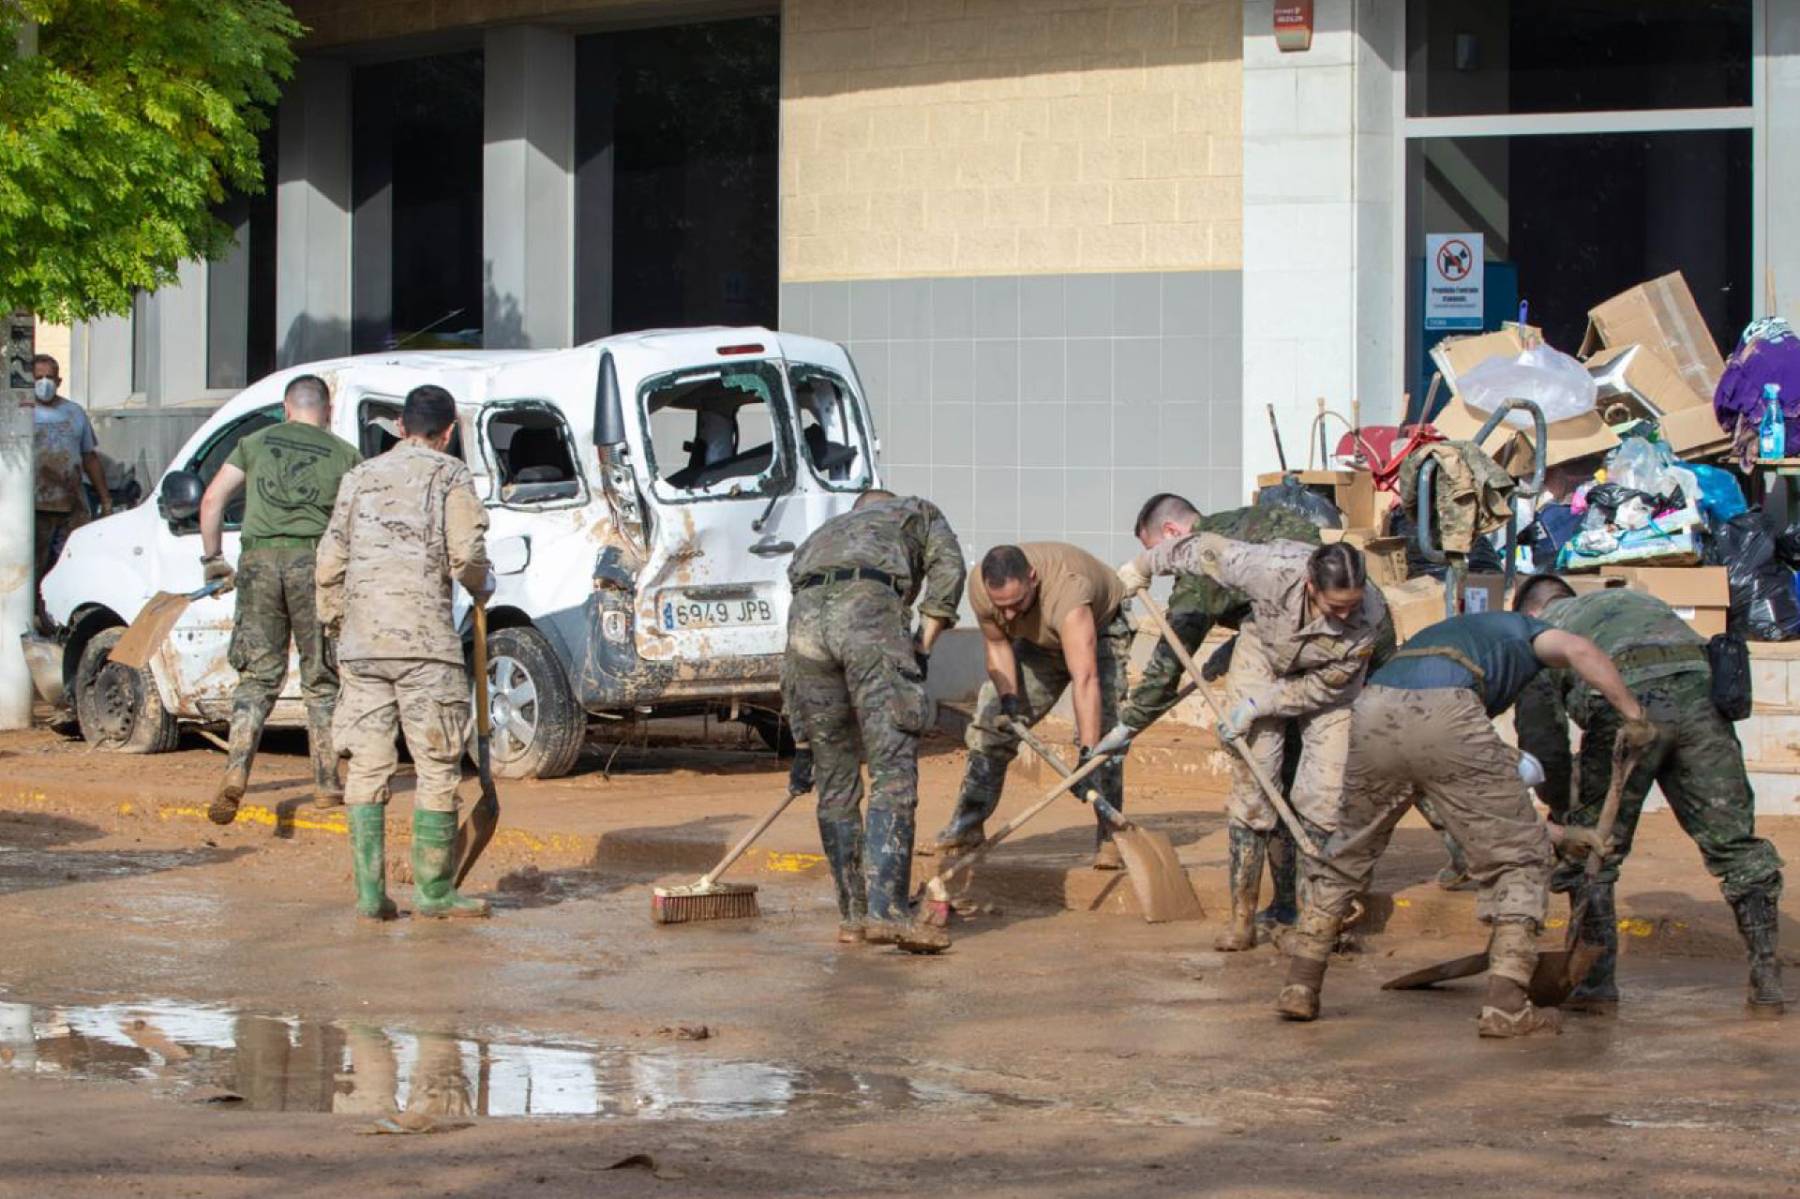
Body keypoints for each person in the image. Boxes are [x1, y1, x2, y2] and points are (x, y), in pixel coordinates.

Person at [1279, 609, 1654, 1038]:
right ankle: (1508, 1006)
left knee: (1346, 852)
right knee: (1518, 861)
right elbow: (1579, 649)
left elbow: (1466, 813)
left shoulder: (1447, 635)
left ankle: (1300, 983)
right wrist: (1634, 715)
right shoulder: (1527, 631)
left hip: (1373, 709)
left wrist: (1563, 836)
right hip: (1447, 712)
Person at [1514, 574, 1785, 1016]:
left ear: (1529, 611)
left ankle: (1593, 985)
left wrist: (1563, 807)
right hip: (1702, 705)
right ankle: (1767, 981)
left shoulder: (1542, 634)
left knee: (1592, 851)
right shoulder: (1633, 602)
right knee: (1737, 849)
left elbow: (1544, 738)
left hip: (1625, 711)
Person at [1117, 531, 1388, 952]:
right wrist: (1143, 566)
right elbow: (1199, 549)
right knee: (1254, 785)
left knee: (1325, 794)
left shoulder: (1370, 614)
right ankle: (1242, 919)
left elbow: (1328, 689)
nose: (1343, 616)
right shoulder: (1269, 569)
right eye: (1335, 607)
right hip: (1263, 656)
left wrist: (1266, 702)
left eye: (1350, 606)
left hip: (1324, 687)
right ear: (1311, 586)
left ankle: (1310, 920)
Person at [1097, 494, 1326, 940]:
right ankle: (1304, 908)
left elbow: (1168, 661)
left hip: (1287, 663)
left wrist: (1129, 725)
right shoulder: (1267, 517)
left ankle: (1259, 915)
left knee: (1260, 783)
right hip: (1326, 650)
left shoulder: (1204, 563)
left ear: (1171, 536)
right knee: (1311, 786)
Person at [316, 384, 493, 920]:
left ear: (399, 427)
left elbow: (328, 562)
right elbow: (466, 555)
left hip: (362, 647)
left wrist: (337, 624)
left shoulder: (358, 477)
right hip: (425, 648)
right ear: (448, 433)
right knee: (437, 766)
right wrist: (482, 586)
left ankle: (371, 896)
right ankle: (435, 892)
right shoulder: (450, 476)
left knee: (368, 767)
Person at [781, 488, 965, 946]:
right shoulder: (918, 509)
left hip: (804, 626)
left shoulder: (825, 534)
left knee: (835, 780)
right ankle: (886, 912)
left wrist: (803, 742)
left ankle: (853, 918)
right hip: (867, 614)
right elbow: (950, 569)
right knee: (893, 769)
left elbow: (791, 662)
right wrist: (923, 644)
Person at [200, 374, 361, 824]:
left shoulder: (253, 442)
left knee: (257, 678)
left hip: (259, 562)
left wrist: (213, 559)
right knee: (321, 678)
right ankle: (328, 782)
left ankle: (236, 772)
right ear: (326, 411)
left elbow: (212, 499)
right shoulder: (346, 455)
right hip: (315, 565)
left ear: (286, 408)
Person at [928, 542, 1129, 869]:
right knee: (990, 725)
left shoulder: (1070, 593)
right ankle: (966, 826)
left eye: (1016, 603)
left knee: (1107, 738)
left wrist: (1087, 755)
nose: (1008, 614)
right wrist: (1009, 701)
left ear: (1032, 578)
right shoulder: (982, 587)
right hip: (1038, 641)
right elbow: (997, 643)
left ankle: (1110, 835)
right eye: (1001, 606)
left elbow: (1086, 678)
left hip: (1100, 632)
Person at [29, 354, 109, 627]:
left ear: (59, 380)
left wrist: (106, 499)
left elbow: (89, 457)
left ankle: (67, 619)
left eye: (49, 377)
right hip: (35, 506)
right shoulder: (20, 412)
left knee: (74, 562)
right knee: (35, 567)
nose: (44, 383)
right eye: (38, 377)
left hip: (73, 503)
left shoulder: (74, 413)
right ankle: (36, 618)